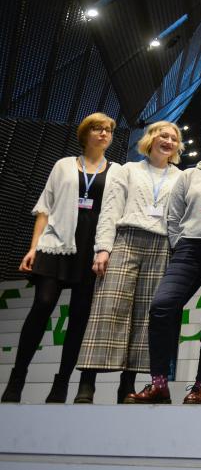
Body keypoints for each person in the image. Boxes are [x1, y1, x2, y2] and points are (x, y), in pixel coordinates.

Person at [1, 114, 120, 404]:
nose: (103, 134)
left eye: (108, 130)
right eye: (97, 128)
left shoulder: (117, 170)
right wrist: (33, 247)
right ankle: (17, 379)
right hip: (56, 245)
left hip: (91, 249)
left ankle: (61, 383)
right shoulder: (63, 165)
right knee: (42, 305)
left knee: (79, 317)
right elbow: (45, 207)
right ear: (85, 133)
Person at [126, 123, 201, 404]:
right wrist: (179, 245)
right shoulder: (188, 175)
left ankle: (200, 385)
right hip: (188, 247)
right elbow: (173, 216)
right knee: (162, 306)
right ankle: (159, 384)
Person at [76, 121, 183, 404]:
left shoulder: (180, 177)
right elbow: (110, 210)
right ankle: (87, 384)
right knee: (107, 309)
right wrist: (103, 249)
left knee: (146, 317)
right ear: (150, 139)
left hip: (161, 245)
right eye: (163, 135)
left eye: (174, 138)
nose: (168, 141)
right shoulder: (128, 170)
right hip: (126, 239)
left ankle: (128, 386)